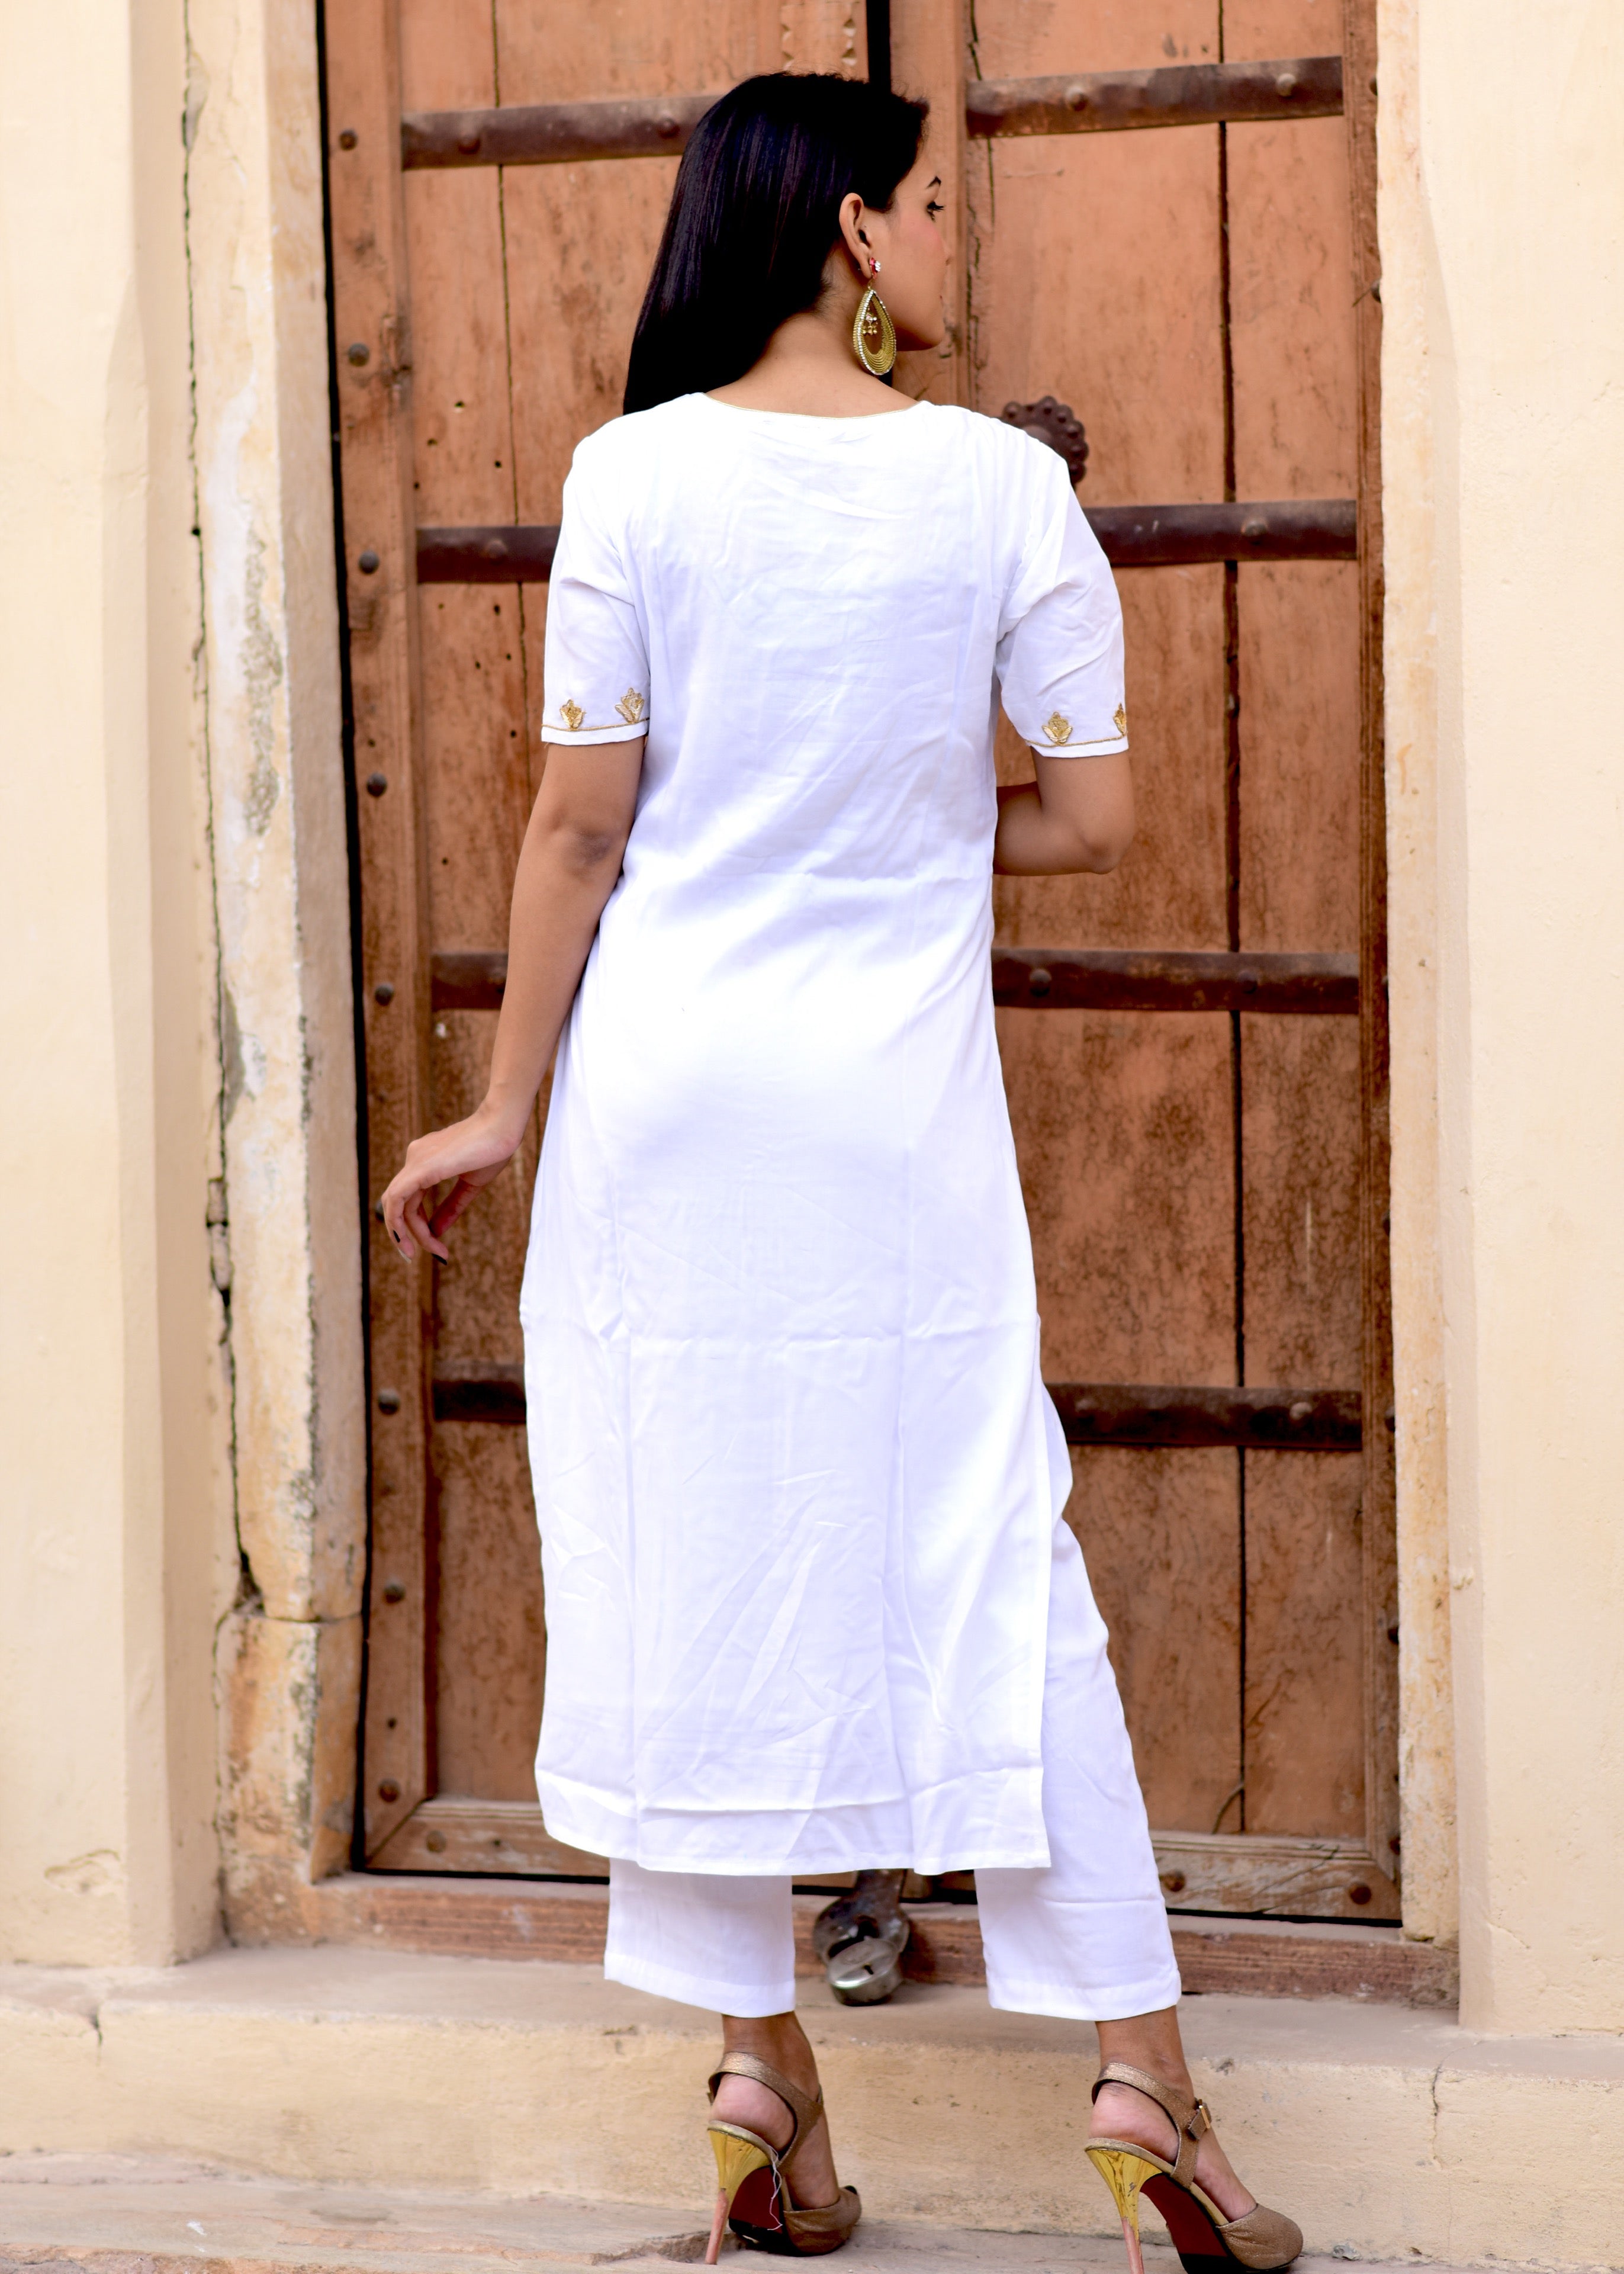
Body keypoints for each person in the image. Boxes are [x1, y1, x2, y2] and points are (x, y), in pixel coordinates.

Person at [382, 70, 1303, 2274]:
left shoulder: (631, 474)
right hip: (887, 1117)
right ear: (862, 236)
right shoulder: (1001, 490)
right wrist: (891, 810)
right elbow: (1083, 821)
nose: (952, 236)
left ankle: (757, 2073)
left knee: (694, 1544)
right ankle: (1139, 2073)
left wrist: (501, 1108)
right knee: (996, 1551)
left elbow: (579, 829)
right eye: (935, 204)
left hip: (665, 1106)